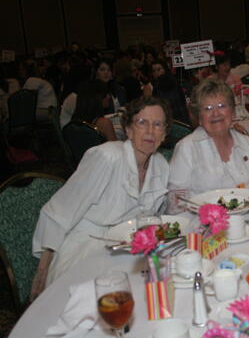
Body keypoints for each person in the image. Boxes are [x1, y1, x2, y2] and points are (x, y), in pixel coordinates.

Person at [31, 96, 172, 297]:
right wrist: (44, 267)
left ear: (165, 133)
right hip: (86, 248)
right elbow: (61, 209)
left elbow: (153, 215)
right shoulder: (107, 157)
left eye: (157, 124)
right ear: (129, 130)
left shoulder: (161, 166)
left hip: (127, 249)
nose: (150, 131)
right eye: (142, 122)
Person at [168, 78, 249, 196]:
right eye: (208, 108)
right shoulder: (186, 148)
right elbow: (174, 200)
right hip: (201, 214)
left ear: (233, 111)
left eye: (221, 106)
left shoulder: (247, 143)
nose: (216, 113)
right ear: (199, 117)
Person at [149, 60, 190, 124]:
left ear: (165, 69)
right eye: (154, 71)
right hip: (167, 121)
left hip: (182, 118)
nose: (156, 73)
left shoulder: (176, 82)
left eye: (159, 69)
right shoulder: (153, 87)